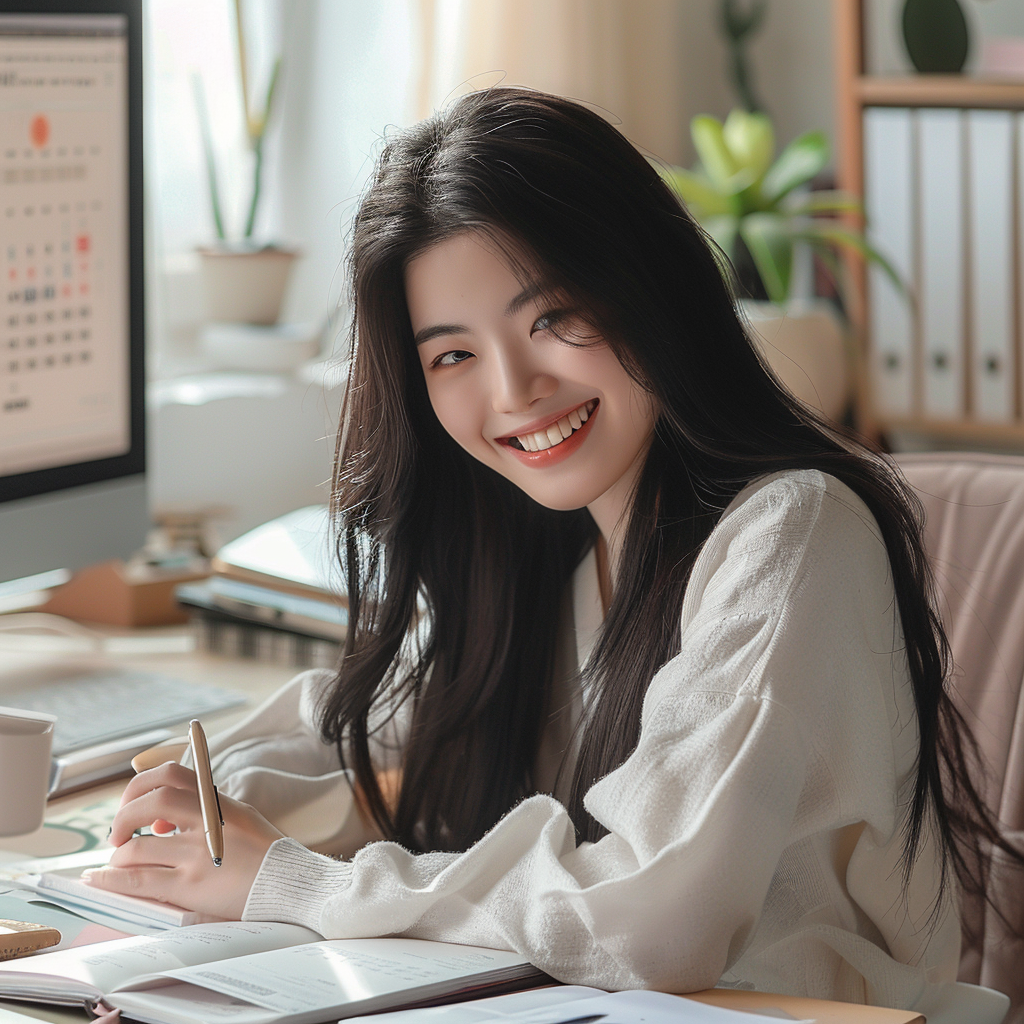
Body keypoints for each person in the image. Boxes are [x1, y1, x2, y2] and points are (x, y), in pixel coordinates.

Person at [84, 87, 1019, 1013]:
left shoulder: (789, 534)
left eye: (552, 318)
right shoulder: (559, 559)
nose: (514, 390)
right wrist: (202, 797)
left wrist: (298, 884)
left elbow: (654, 918)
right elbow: (381, 722)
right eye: (452, 355)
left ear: (649, 283)